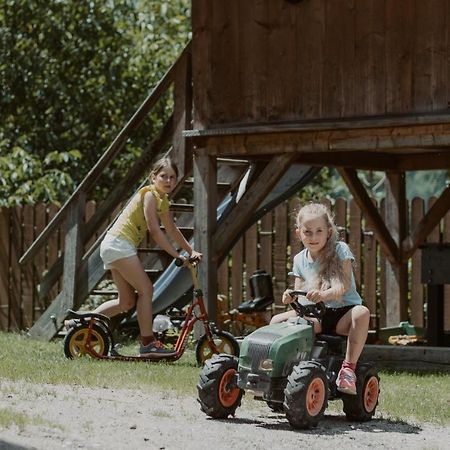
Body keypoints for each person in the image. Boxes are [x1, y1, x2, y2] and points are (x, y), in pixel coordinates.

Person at [68, 156, 202, 356]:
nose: (168, 181)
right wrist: (177, 255)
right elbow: (155, 231)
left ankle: (82, 323)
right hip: (119, 245)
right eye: (163, 176)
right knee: (146, 289)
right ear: (153, 177)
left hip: (115, 246)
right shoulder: (149, 195)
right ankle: (148, 343)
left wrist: (190, 251)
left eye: (172, 177)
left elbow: (171, 229)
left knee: (126, 302)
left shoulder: (162, 200)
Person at [270, 202, 370, 395]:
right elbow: (300, 293)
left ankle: (348, 369)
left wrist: (323, 295)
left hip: (343, 313)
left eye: (318, 231)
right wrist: (290, 297)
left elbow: (344, 286)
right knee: (276, 321)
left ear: (329, 232)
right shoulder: (299, 259)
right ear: (298, 233)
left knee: (362, 312)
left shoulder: (340, 250)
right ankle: (276, 369)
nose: (313, 237)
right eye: (308, 232)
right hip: (315, 314)